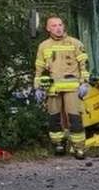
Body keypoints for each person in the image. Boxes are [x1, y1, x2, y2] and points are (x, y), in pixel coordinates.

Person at [33, 16, 90, 158]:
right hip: (52, 88)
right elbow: (39, 69)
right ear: (48, 28)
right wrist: (37, 87)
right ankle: (58, 144)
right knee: (54, 118)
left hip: (72, 87)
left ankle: (79, 148)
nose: (58, 28)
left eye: (60, 25)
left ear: (63, 26)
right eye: (54, 26)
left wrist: (85, 82)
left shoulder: (75, 43)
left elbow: (84, 65)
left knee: (75, 118)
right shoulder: (44, 46)